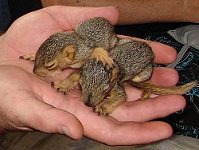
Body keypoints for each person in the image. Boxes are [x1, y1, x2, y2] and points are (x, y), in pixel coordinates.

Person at [0, 5, 188, 148]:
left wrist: (102, 54)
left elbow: (94, 54)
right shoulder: (69, 52)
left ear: (69, 54)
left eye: (50, 65)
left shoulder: (86, 55)